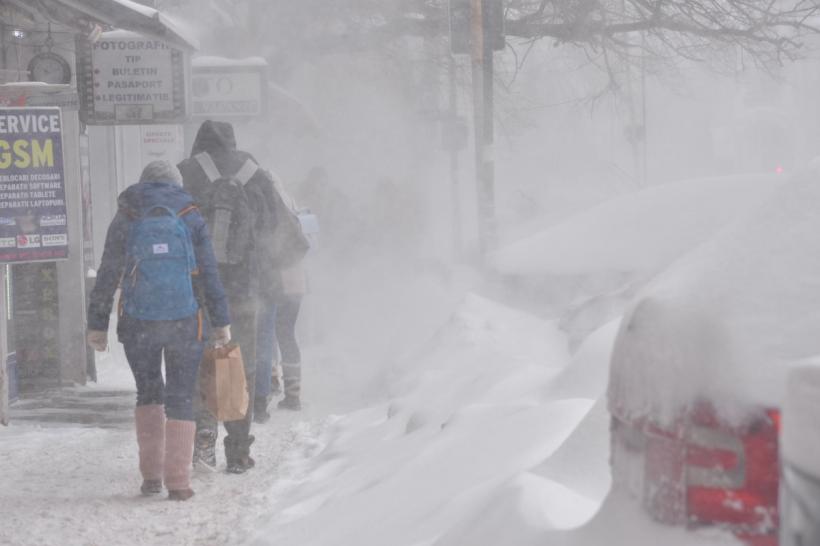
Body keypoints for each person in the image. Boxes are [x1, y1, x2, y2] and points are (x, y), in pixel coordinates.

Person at [86, 160, 230, 501]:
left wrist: (97, 323)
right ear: (175, 184)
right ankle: (178, 482)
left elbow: (108, 271)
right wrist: (221, 320)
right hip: (185, 320)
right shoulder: (191, 214)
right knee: (181, 396)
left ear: (144, 183)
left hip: (139, 321)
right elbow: (209, 272)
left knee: (148, 393)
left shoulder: (128, 213)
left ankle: (151, 477)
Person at [179, 120, 303, 472]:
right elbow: (284, 235)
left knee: (201, 362)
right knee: (239, 365)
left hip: (197, 287)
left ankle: (203, 438)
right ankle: (237, 450)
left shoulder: (187, 172)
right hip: (246, 288)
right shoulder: (255, 172)